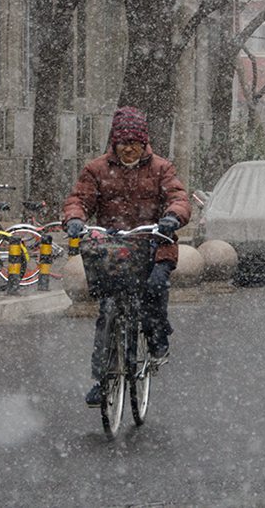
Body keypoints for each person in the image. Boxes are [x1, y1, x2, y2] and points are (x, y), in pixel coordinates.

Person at [63, 106, 192, 407]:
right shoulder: (96, 170)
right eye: (123, 143)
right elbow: (78, 200)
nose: (129, 148)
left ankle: (158, 340)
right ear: (114, 142)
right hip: (115, 245)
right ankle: (101, 379)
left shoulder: (161, 168)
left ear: (144, 142)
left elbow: (178, 198)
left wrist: (172, 217)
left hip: (153, 243)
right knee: (107, 309)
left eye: (134, 142)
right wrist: (74, 219)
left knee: (154, 288)